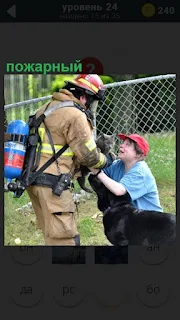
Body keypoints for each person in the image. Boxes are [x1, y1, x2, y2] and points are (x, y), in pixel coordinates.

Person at [27, 74, 113, 246]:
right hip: (53, 185)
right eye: (93, 101)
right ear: (83, 97)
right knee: (65, 240)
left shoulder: (46, 108)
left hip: (34, 182)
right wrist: (107, 160)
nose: (92, 107)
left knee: (52, 236)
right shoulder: (75, 115)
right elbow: (89, 156)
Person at [90, 133, 163, 212]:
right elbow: (98, 171)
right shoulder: (118, 164)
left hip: (150, 220)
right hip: (130, 216)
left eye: (127, 145)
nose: (121, 145)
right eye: (123, 143)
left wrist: (97, 172)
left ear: (139, 154)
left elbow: (119, 190)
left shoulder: (140, 171)